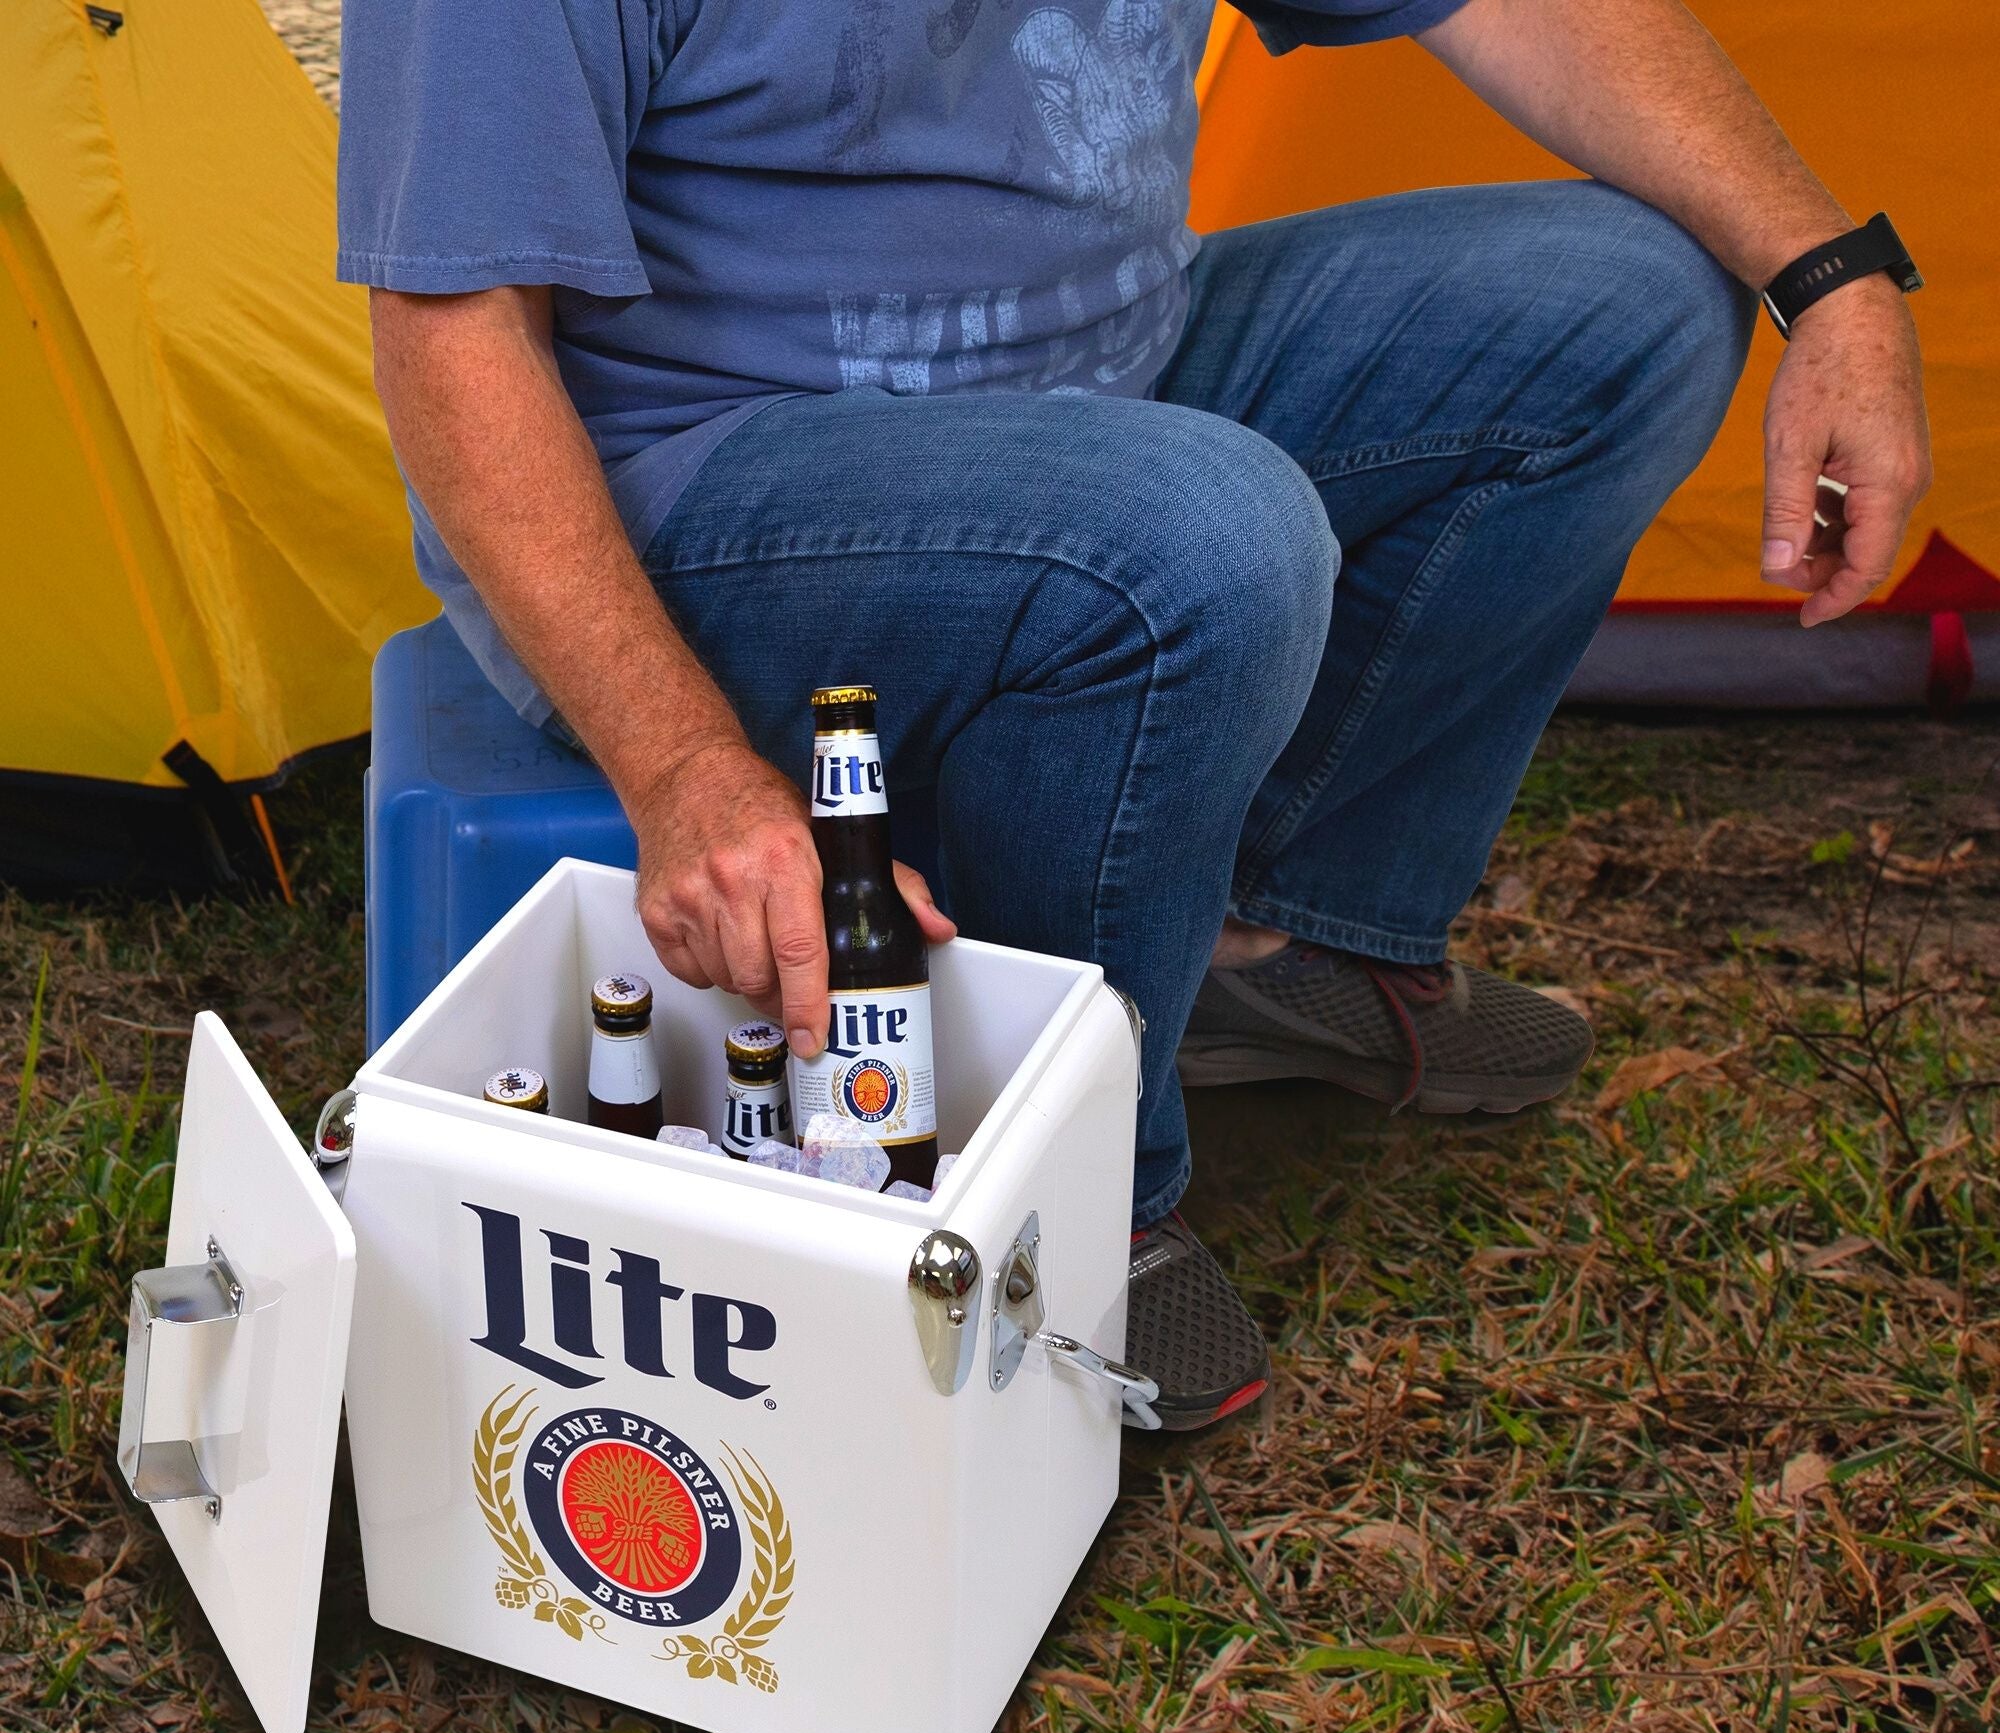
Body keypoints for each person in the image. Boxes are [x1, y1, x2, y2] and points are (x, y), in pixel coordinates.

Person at [338, 0, 1930, 1430]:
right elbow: (451, 335)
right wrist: (684, 767)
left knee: (1632, 303)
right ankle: (1078, 1196)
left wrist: (1835, 280)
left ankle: (1284, 946)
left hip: (1107, 390)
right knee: (1205, 534)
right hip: (697, 488)